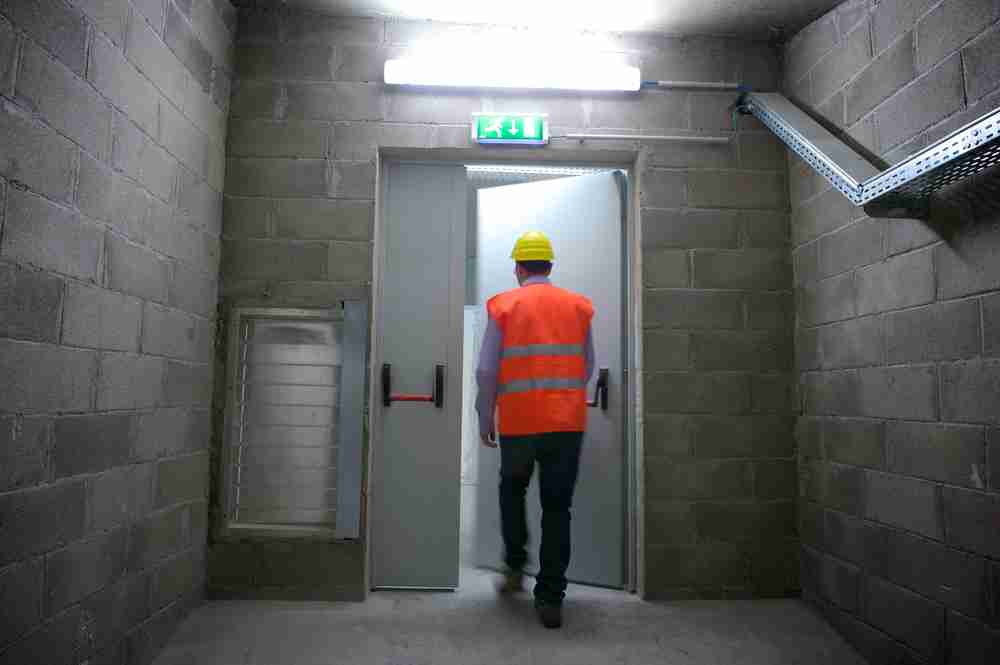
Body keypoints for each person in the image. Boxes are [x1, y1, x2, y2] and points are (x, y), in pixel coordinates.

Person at [475, 230, 595, 629]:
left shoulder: (505, 305)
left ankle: (514, 566)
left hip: (520, 424)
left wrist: (484, 415)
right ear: (550, 266)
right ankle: (550, 600)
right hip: (566, 424)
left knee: (512, 490)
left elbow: (487, 370)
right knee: (558, 509)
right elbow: (586, 367)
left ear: (518, 268)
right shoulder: (577, 307)